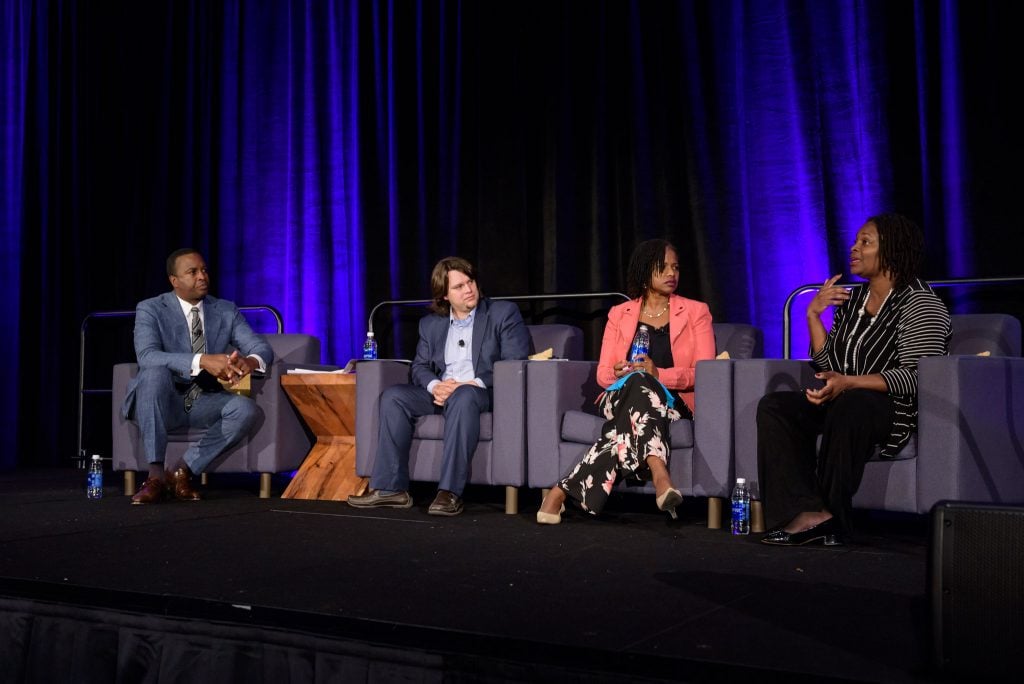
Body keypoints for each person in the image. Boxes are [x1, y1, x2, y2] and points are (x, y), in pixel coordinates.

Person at [757, 213, 950, 546]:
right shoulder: (853, 301)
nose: (853, 248)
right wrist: (813, 315)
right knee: (776, 406)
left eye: (866, 242)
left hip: (890, 407)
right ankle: (808, 513)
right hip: (844, 396)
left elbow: (918, 377)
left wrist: (849, 383)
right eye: (856, 241)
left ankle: (837, 519)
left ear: (891, 251)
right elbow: (827, 363)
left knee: (854, 403)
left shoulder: (921, 303)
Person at [537, 239, 716, 524]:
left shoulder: (696, 312)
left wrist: (659, 375)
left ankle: (559, 491)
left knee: (641, 388)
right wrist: (622, 371)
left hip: (673, 403)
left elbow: (706, 372)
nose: (672, 273)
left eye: (676, 267)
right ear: (645, 271)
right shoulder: (619, 314)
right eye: (663, 267)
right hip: (620, 397)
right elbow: (603, 374)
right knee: (637, 382)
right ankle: (659, 471)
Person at [347, 256, 531, 516]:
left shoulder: (502, 313)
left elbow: (514, 362)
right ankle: (391, 490)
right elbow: (420, 366)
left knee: (465, 396)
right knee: (393, 397)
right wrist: (435, 386)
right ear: (444, 295)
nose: (468, 289)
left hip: (484, 392)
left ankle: (449, 492)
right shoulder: (431, 324)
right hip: (445, 394)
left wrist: (472, 383)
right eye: (459, 287)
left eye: (470, 282)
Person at [122, 248, 273, 504]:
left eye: (204, 270)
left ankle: (181, 472)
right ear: (174, 280)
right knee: (154, 373)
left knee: (245, 410)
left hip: (202, 401)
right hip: (159, 400)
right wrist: (201, 360)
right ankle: (156, 475)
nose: (202, 276)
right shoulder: (151, 309)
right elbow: (147, 356)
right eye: (192, 272)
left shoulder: (225, 310)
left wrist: (249, 361)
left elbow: (261, 348)